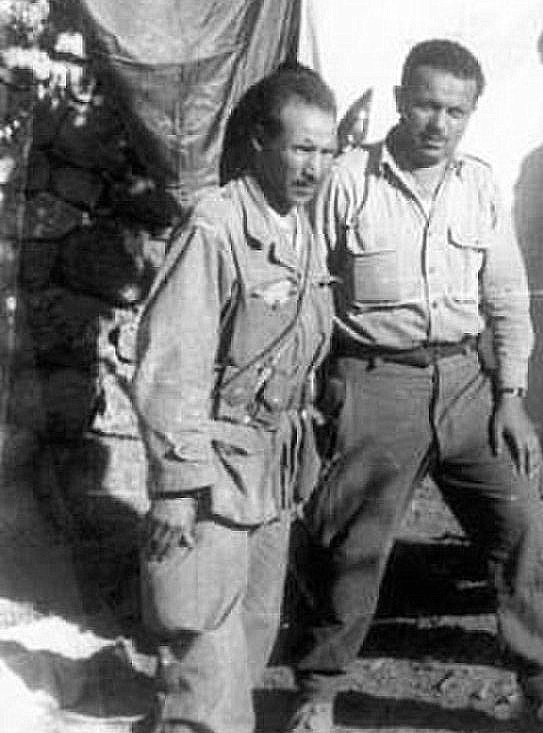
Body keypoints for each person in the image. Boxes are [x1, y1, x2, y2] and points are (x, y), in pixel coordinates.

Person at [285, 40, 543, 733]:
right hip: (374, 383)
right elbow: (308, 293)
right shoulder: (348, 179)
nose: (439, 122)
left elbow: (505, 296)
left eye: (455, 111)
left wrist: (510, 396)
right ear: (402, 98)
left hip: (468, 383)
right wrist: (312, 394)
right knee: (349, 543)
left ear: (471, 114)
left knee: (521, 525)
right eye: (428, 105)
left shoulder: (479, 185)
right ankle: (316, 694)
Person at [132, 64, 338, 733]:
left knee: (247, 644)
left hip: (268, 473)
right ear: (259, 142)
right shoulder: (217, 226)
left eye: (326, 151)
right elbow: (173, 362)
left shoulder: (302, 228)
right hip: (210, 471)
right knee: (198, 653)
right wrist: (175, 484)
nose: (315, 165)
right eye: (301, 148)